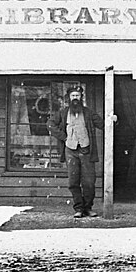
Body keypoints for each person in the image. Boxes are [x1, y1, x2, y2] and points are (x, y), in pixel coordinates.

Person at [47, 86, 113, 218]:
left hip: (86, 150)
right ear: (69, 98)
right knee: (73, 181)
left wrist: (113, 121)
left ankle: (88, 208)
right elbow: (50, 124)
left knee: (89, 182)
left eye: (77, 95)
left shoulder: (89, 113)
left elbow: (102, 124)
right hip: (70, 151)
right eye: (73, 96)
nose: (75, 98)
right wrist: (64, 137)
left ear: (81, 97)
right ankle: (78, 208)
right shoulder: (63, 113)